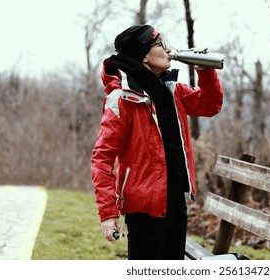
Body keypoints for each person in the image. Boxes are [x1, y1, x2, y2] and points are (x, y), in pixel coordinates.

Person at [91, 24, 223, 260]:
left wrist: (205, 71)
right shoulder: (122, 100)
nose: (168, 49)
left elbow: (210, 104)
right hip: (144, 208)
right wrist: (108, 214)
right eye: (160, 44)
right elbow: (102, 158)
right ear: (144, 56)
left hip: (176, 200)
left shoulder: (174, 91)